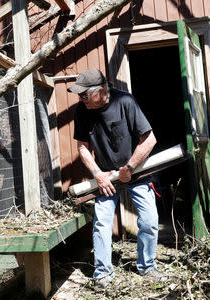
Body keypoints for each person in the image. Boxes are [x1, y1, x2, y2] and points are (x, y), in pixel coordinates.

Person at [68, 68, 164, 290]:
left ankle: (147, 266)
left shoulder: (125, 102)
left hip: (136, 172)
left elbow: (149, 139)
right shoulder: (82, 111)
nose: (81, 100)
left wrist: (130, 167)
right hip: (107, 178)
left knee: (149, 220)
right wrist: (98, 174)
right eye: (78, 96)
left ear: (100, 91)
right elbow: (82, 146)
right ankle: (102, 273)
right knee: (102, 223)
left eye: (84, 95)